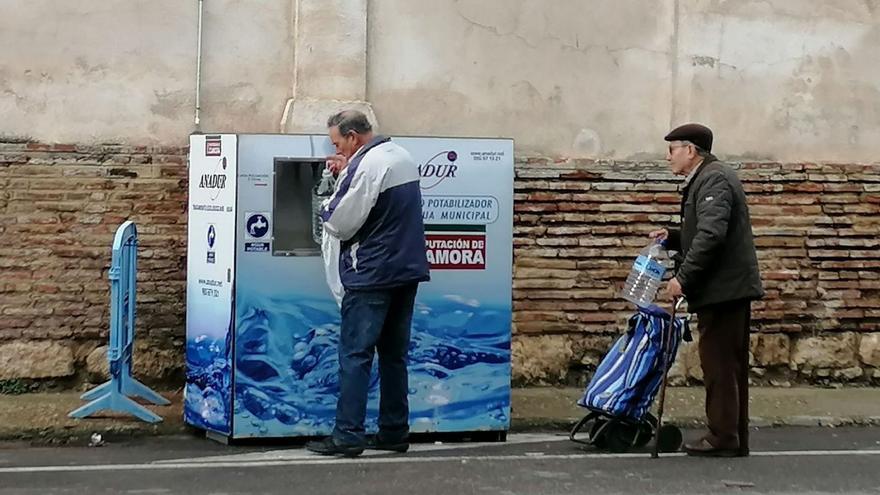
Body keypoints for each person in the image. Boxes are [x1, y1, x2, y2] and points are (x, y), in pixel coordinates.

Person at [306, 110, 430, 458]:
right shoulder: (400, 156)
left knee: (355, 355)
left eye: (337, 143)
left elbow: (339, 221)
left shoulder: (368, 165)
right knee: (393, 356)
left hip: (371, 273)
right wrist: (347, 171)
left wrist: (328, 193)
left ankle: (347, 434)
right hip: (406, 271)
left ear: (353, 138)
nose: (337, 149)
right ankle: (394, 431)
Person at [649, 123, 764, 457]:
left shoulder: (713, 178)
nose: (668, 157)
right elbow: (704, 230)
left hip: (725, 290)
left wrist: (683, 278)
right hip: (724, 288)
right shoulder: (707, 178)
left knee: (720, 366)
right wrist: (672, 236)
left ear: (691, 150)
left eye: (672, 150)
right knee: (726, 364)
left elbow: (712, 235)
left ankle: (723, 437)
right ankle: (731, 435)